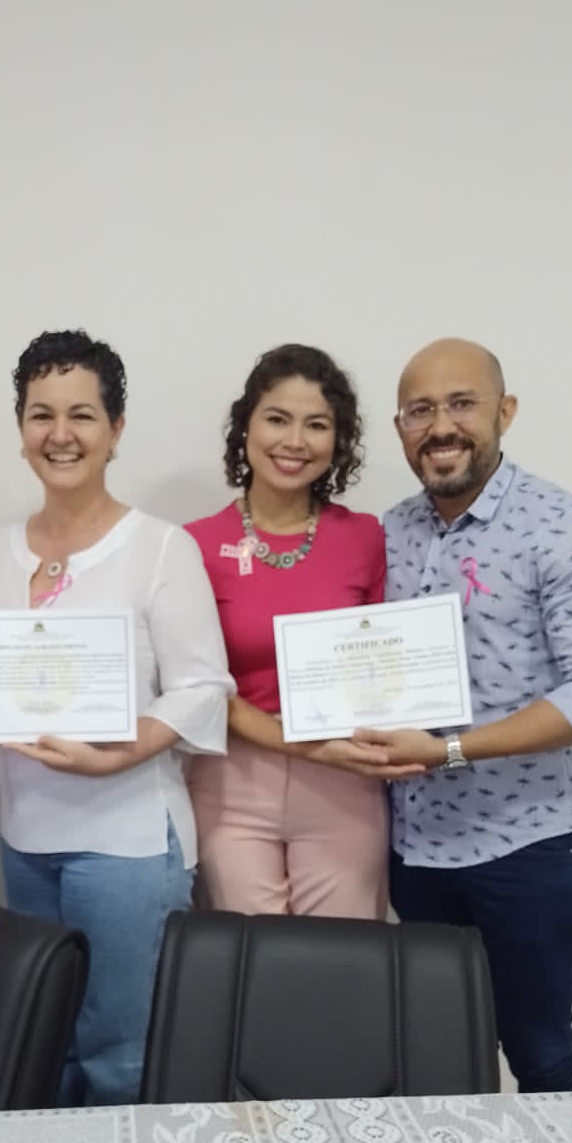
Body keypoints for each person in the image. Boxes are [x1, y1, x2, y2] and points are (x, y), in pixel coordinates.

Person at [0, 329, 232, 1107]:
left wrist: (117, 755)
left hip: (127, 843)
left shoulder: (160, 549)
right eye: (41, 414)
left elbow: (203, 688)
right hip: (25, 837)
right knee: (44, 1040)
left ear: (116, 430)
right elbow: (4, 687)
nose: (60, 434)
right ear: (20, 428)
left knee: (120, 1056)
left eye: (82, 415)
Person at [355, 337, 572, 1092]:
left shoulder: (563, 526)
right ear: (400, 427)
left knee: (538, 1053)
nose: (440, 426)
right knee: (435, 1058)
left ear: (505, 412)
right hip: (414, 847)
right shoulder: (388, 533)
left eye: (462, 404)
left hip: (528, 846)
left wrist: (450, 749)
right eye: (420, 410)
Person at [185, 343, 419, 918]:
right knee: (244, 958)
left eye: (316, 424)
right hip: (232, 782)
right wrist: (310, 745)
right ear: (246, 426)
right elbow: (202, 684)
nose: (294, 441)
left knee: (342, 959)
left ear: (338, 441)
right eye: (277, 419)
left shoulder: (367, 536)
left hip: (345, 780)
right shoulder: (193, 544)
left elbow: (387, 665)